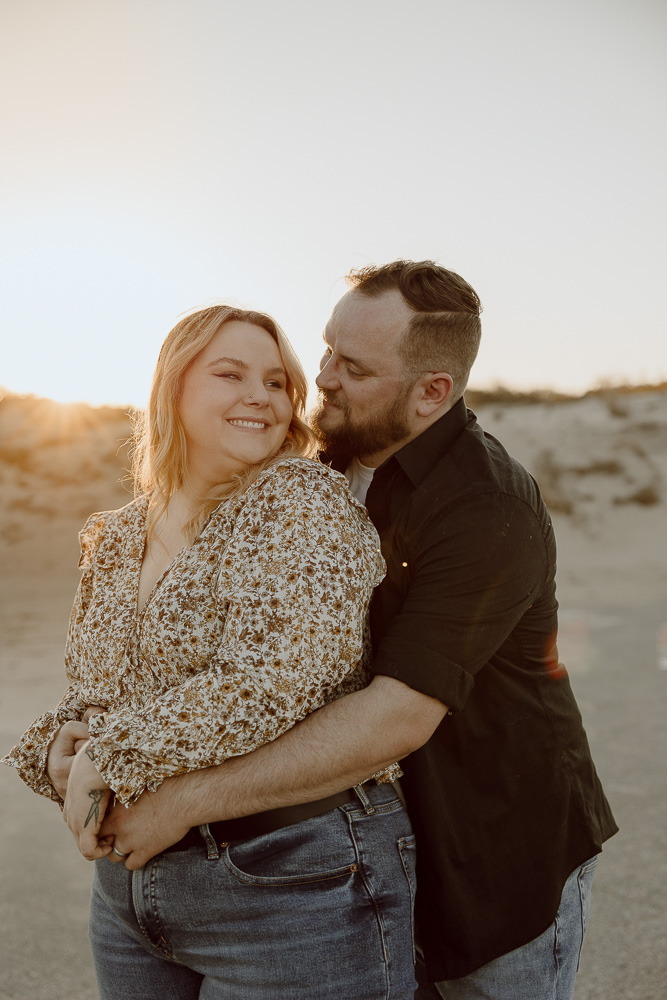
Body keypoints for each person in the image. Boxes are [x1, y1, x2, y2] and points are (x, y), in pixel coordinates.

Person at [48, 262, 617, 1000]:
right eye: (322, 351)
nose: (319, 378)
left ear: (432, 393)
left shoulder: (487, 508)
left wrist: (179, 804)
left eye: (350, 366)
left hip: (494, 836)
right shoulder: (313, 469)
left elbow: (396, 714)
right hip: (359, 828)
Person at [2, 304, 418, 1000]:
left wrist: (114, 754)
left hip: (292, 881)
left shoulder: (299, 499)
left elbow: (272, 680)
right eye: (230, 374)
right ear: (174, 388)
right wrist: (51, 748)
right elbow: (99, 696)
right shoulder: (115, 534)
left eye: (277, 381)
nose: (259, 394)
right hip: (132, 888)